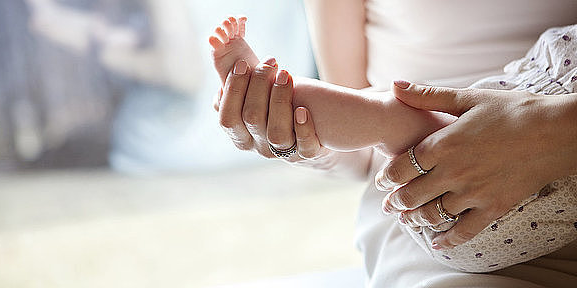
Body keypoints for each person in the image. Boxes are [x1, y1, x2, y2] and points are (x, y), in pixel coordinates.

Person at [214, 0, 577, 286]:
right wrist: (293, 132)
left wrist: (554, 132)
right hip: (442, 183)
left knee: (394, 121)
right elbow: (358, 134)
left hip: (515, 162)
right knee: (404, 126)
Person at [210, 16, 577, 272]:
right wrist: (306, 150)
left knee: (396, 123)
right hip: (454, 184)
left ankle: (278, 90)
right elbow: (357, 155)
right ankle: (275, 94)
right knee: (405, 128)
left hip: (479, 204)